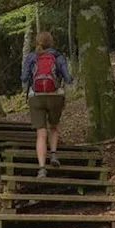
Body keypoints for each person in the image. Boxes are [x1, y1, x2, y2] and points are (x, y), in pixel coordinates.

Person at [20, 31, 74, 178]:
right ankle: (54, 155)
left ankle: (42, 168)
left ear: (37, 42)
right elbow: (68, 79)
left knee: (41, 134)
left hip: (36, 97)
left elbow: (24, 78)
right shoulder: (57, 56)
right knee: (54, 127)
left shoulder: (32, 56)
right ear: (51, 42)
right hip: (55, 96)